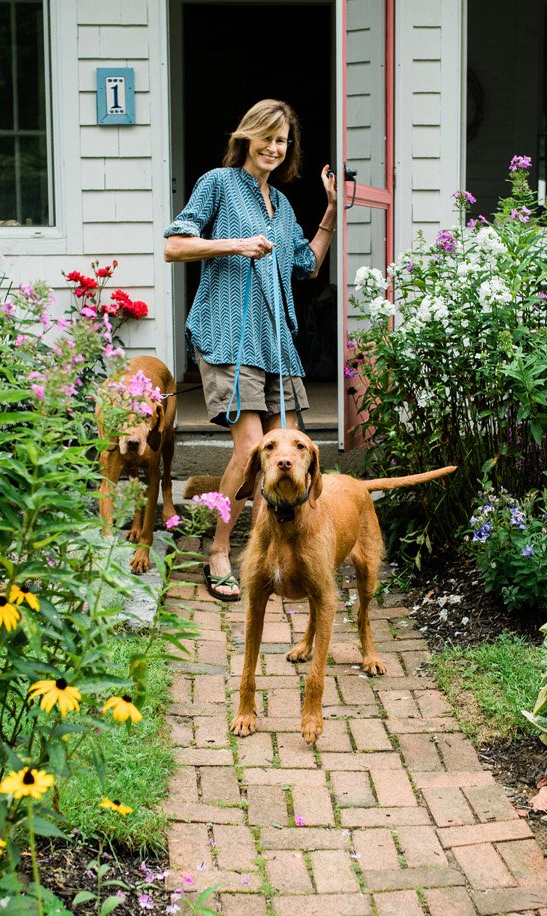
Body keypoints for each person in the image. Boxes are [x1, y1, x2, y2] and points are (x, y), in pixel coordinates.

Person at [163, 99, 338, 601]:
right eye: (267, 135)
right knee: (248, 449)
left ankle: (276, 553)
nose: (274, 147)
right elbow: (175, 245)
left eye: (282, 140)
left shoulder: (280, 206)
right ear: (248, 136)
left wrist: (328, 211)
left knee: (291, 451)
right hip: (228, 334)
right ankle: (219, 549)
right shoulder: (217, 183)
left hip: (277, 342)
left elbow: (306, 266)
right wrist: (236, 245)